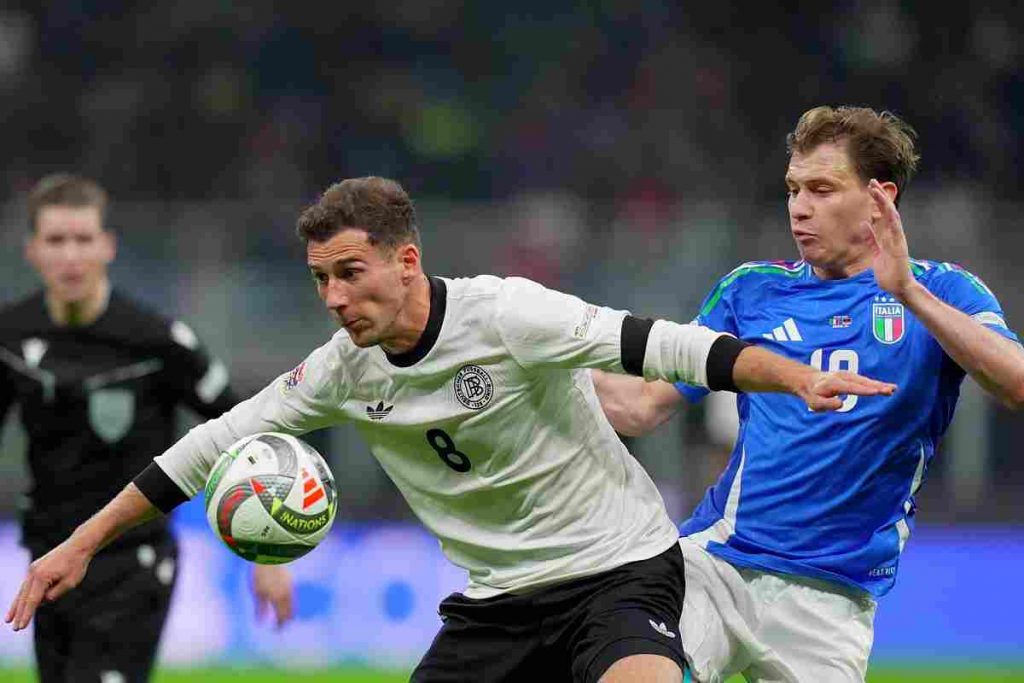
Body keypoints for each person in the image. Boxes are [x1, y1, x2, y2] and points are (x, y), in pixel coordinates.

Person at [6, 176, 895, 683]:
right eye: (320, 278)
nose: (334, 299)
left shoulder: (509, 315)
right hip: (496, 605)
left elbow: (671, 348)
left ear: (407, 260)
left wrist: (799, 374)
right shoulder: (343, 368)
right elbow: (205, 447)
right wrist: (78, 544)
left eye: (350, 273)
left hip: (619, 571)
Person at [593, 105, 1024, 682]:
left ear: (880, 200)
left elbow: (1018, 384)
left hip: (832, 602)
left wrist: (910, 294)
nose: (799, 207)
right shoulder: (751, 291)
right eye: (794, 188)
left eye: (822, 189)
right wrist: (536, 356)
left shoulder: (944, 291)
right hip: (716, 565)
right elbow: (642, 406)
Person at [0, 173, 295, 683]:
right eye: (56, 240)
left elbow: (247, 432)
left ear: (107, 246)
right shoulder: (9, 337)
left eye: (83, 239)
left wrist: (266, 551)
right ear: (32, 250)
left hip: (130, 565)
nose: (71, 255)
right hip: (46, 559)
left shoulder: (157, 342)